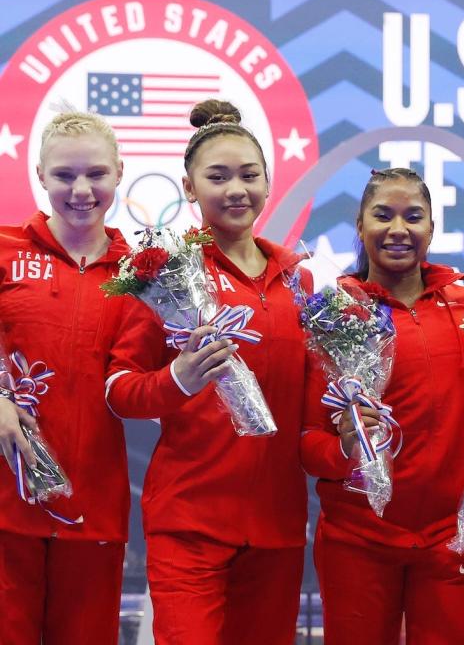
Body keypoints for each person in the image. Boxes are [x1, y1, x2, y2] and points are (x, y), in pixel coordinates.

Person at [105, 100, 311, 645]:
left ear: (268, 182)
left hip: (278, 525)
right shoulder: (162, 276)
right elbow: (119, 391)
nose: (236, 189)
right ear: (189, 188)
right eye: (217, 177)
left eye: (249, 175)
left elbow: (313, 405)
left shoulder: (300, 285)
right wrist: (179, 379)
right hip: (190, 520)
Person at [300, 168, 464, 645]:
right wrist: (344, 445)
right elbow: (308, 444)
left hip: (453, 537)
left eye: (413, 217)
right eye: (382, 215)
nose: (398, 229)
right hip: (357, 540)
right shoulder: (332, 315)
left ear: (431, 228)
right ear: (360, 227)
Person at [0, 111, 130, 645]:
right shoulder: (5, 250)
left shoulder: (143, 271)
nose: (81, 190)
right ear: (39, 175)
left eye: (96, 174)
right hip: (6, 505)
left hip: (93, 508)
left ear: (120, 172)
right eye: (64, 175)